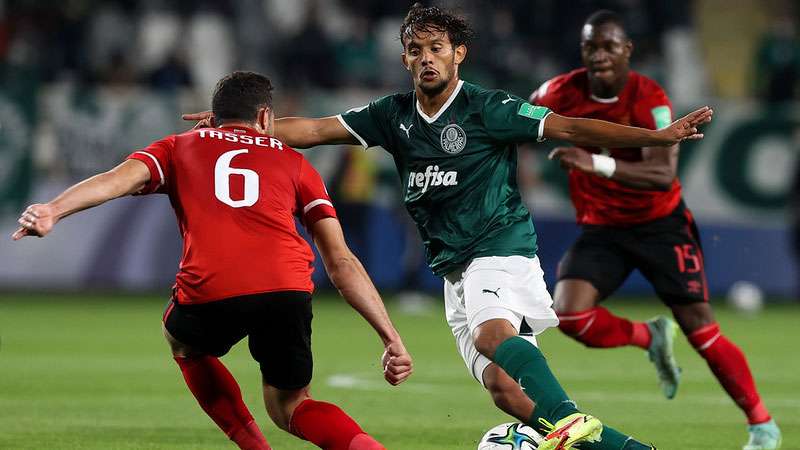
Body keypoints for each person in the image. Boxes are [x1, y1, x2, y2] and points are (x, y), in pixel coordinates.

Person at [185, 5, 712, 449]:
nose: (425, 59)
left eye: (436, 48)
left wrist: (657, 138)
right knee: (505, 392)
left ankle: (570, 416)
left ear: (459, 54)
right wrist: (244, 128)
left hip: (500, 248)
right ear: (405, 59)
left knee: (491, 335)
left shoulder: (488, 108)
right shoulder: (392, 115)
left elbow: (568, 126)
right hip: (454, 268)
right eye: (415, 51)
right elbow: (318, 129)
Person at [13, 71, 413, 450]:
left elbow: (117, 179)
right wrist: (390, 337)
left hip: (212, 286)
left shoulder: (177, 146)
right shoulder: (297, 165)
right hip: (287, 287)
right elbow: (342, 263)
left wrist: (54, 209)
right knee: (291, 405)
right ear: (264, 116)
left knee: (182, 340)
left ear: (214, 114)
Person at [530, 10, 781, 450]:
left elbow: (662, 175)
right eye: (591, 46)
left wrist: (596, 163)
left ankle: (762, 424)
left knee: (702, 331)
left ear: (627, 51)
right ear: (582, 51)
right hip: (603, 229)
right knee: (568, 314)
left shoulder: (650, 97)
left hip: (660, 227)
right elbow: (519, 122)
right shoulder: (558, 92)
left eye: (609, 46)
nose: (600, 55)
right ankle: (650, 336)